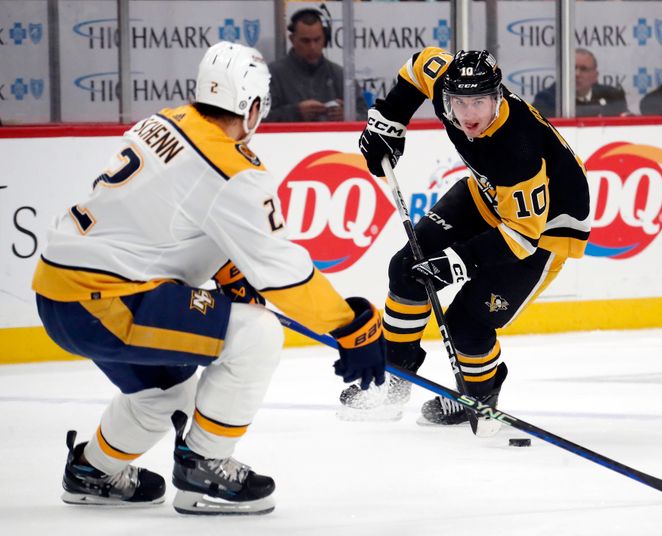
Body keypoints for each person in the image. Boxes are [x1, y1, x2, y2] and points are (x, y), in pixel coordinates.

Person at [31, 41, 385, 515]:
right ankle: (205, 468)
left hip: (61, 294)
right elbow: (285, 276)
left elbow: (169, 217)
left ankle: (92, 470)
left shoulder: (164, 121)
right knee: (258, 333)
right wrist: (349, 326)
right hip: (105, 301)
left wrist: (228, 269)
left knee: (165, 394)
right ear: (254, 106)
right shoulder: (232, 169)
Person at [340, 48, 590, 436]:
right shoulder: (446, 84)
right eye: (459, 102)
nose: (469, 114)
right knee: (407, 269)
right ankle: (394, 380)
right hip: (487, 196)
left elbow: (522, 237)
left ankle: (479, 396)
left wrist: (457, 261)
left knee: (466, 325)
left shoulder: (518, 149)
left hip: (544, 232)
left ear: (498, 97)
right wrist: (389, 121)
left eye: (479, 102)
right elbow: (420, 65)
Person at [267, 8, 366, 122]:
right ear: (292, 39)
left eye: (317, 40)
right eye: (305, 41)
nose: (312, 47)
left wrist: (347, 116)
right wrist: (295, 112)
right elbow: (257, 120)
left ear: (325, 39)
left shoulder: (340, 75)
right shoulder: (272, 75)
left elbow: (366, 118)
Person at [532, 48, 628, 118]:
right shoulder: (546, 98)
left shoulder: (612, 95)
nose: (577, 74)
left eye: (584, 69)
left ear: (595, 76)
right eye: (573, 68)